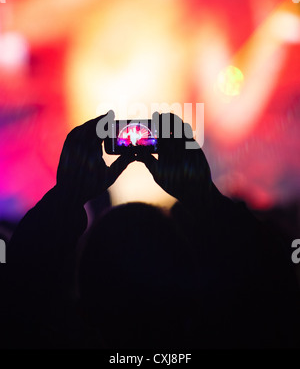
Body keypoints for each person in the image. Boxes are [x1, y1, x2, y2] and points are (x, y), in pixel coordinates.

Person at [2, 112, 300, 349]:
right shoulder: (239, 337)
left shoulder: (38, 337)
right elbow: (279, 286)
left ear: (83, 303)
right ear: (192, 289)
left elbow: (16, 295)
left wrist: (65, 198)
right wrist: (206, 199)